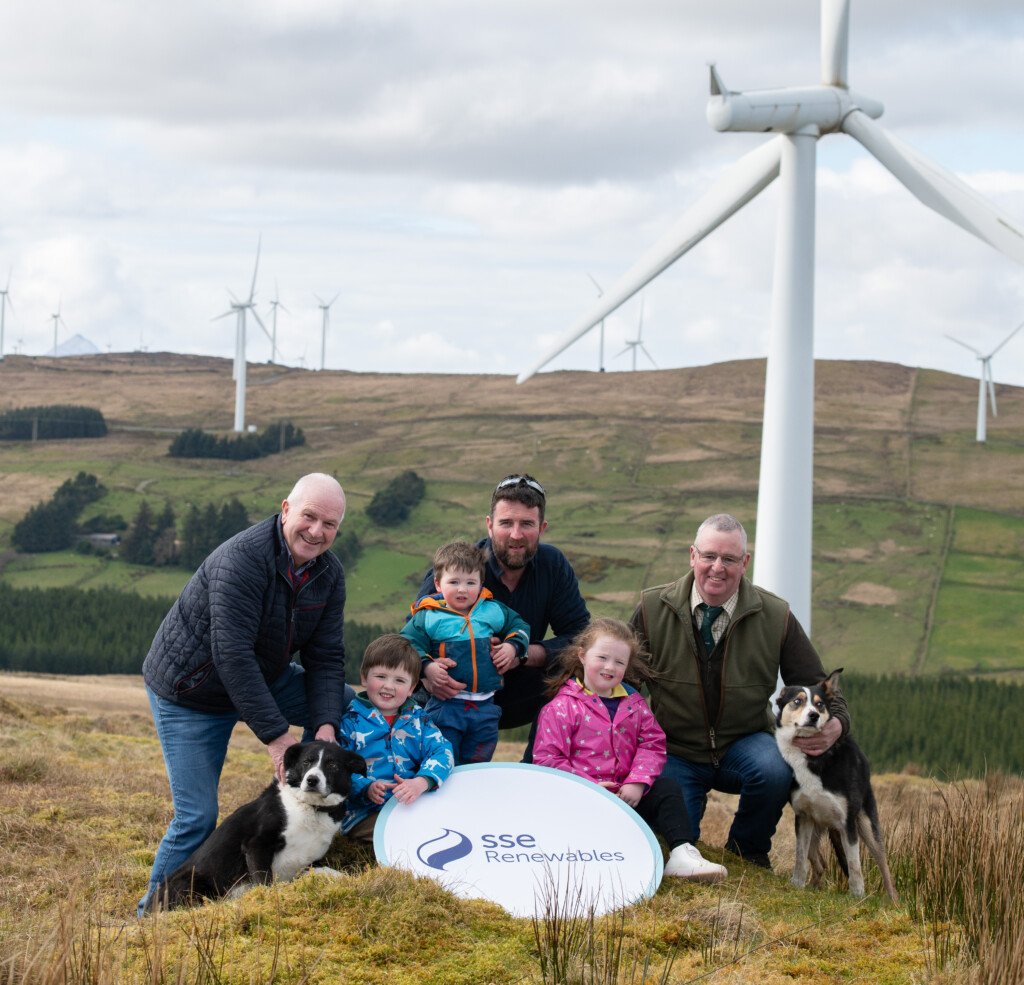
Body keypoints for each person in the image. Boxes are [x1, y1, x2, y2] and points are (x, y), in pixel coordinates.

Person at [139, 472, 353, 914]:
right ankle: (150, 918)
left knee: (345, 703)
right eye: (309, 517)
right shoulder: (241, 559)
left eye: (329, 524)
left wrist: (326, 728)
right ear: (285, 508)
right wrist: (279, 739)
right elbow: (231, 656)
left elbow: (327, 658)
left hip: (264, 677)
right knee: (196, 817)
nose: (317, 531)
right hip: (192, 691)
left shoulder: (329, 574)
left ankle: (314, 819)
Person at [629, 513, 850, 869]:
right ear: (692, 556)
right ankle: (687, 846)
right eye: (709, 556)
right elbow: (624, 683)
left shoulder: (775, 616)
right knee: (671, 844)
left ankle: (747, 852)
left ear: (744, 563)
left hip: (745, 742)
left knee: (775, 768)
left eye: (729, 559)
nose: (717, 567)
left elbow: (817, 683)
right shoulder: (653, 609)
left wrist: (838, 721)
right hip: (674, 749)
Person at [533, 618, 727, 881]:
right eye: (602, 657)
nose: (609, 667)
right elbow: (548, 759)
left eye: (619, 662)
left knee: (667, 788)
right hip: (581, 801)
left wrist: (638, 781)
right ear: (582, 655)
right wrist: (588, 788)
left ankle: (682, 853)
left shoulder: (635, 704)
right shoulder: (561, 708)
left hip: (627, 797)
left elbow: (652, 742)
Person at [418, 474, 590, 754]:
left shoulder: (553, 565)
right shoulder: (457, 568)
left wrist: (522, 654)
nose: (516, 535)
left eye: (527, 524)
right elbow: (411, 636)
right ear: (489, 525)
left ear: (542, 527)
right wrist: (428, 671)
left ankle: (543, 770)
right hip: (452, 694)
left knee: (585, 669)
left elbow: (581, 637)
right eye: (506, 523)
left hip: (525, 693)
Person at [402, 541, 530, 764]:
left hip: (486, 708)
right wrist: (427, 666)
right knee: (443, 762)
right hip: (446, 707)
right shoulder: (429, 615)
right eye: (454, 582)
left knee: (478, 767)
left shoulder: (492, 610)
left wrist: (512, 647)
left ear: (481, 584)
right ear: (438, 584)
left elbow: (519, 626)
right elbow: (406, 642)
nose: (463, 589)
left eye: (471, 582)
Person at [338, 634, 454, 840]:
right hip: (364, 813)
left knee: (442, 826)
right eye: (381, 676)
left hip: (412, 804)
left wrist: (422, 782)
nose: (388, 686)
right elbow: (339, 767)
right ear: (364, 677)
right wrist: (366, 788)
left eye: (399, 680)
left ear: (411, 688)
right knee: (395, 835)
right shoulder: (350, 722)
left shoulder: (420, 720)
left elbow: (442, 751)